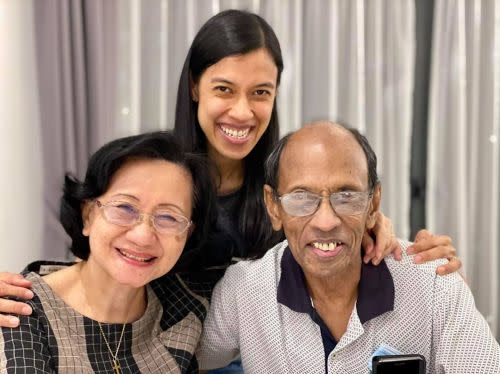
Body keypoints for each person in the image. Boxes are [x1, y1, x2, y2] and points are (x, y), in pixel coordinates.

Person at [0, 7, 458, 342]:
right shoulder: (158, 172)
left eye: (261, 92)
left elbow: (331, 234)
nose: (242, 111)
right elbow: (106, 250)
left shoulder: (290, 183)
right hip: (166, 353)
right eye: (224, 89)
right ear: (195, 86)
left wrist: (402, 249)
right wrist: (35, 288)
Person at [196, 121, 500, 373]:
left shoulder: (436, 285)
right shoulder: (243, 290)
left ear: (374, 203)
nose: (326, 221)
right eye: (301, 197)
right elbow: (173, 357)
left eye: (347, 196)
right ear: (274, 207)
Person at [0, 131, 218, 373]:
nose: (142, 235)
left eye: (168, 217)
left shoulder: (185, 307)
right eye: (124, 207)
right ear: (88, 215)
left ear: (188, 233)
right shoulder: (19, 313)